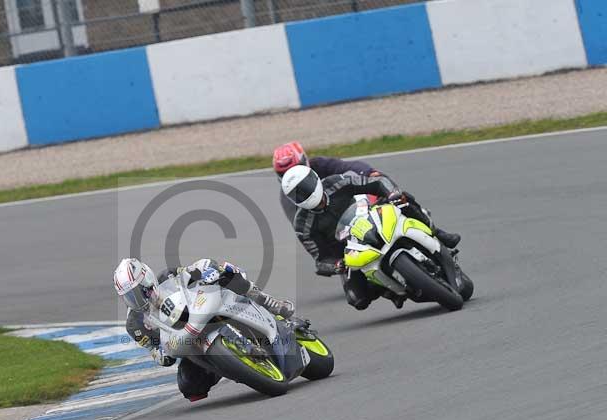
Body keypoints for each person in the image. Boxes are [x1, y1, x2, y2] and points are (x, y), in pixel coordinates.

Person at [281, 165, 461, 311]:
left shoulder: (336, 182)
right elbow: (320, 259)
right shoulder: (302, 225)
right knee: (356, 299)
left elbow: (376, 182)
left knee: (403, 198)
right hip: (353, 249)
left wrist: (392, 193)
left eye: (305, 187)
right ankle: (391, 291)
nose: (305, 194)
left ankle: (438, 233)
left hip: (373, 217)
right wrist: (336, 265)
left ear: (314, 179)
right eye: (298, 193)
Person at [113, 258, 295, 401]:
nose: (135, 300)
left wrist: (207, 270)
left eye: (137, 293)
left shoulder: (166, 276)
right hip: (188, 344)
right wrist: (161, 355)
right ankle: (237, 367)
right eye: (129, 297)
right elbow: (153, 350)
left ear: (146, 279)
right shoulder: (134, 325)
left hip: (201, 311)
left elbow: (193, 270)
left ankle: (270, 303)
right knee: (189, 387)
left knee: (226, 271)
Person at [273, 141, 382, 221]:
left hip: (352, 206)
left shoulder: (319, 164)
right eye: (285, 173)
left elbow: (347, 166)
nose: (294, 175)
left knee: (378, 182)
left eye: (296, 168)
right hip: (331, 227)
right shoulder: (288, 199)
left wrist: (369, 172)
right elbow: (301, 227)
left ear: (305, 161)